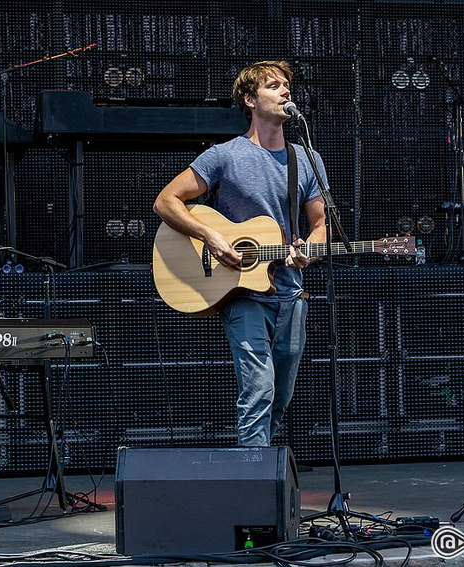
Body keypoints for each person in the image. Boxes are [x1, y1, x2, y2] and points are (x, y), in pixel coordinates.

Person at [153, 60, 328, 446]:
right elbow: (166, 201)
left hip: (291, 293)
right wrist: (211, 236)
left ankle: (265, 470)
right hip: (243, 293)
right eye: (273, 86)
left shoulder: (307, 159)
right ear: (250, 99)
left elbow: (319, 226)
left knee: (279, 397)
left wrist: (309, 252)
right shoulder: (223, 156)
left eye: (286, 85)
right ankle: (255, 484)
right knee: (258, 392)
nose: (285, 91)